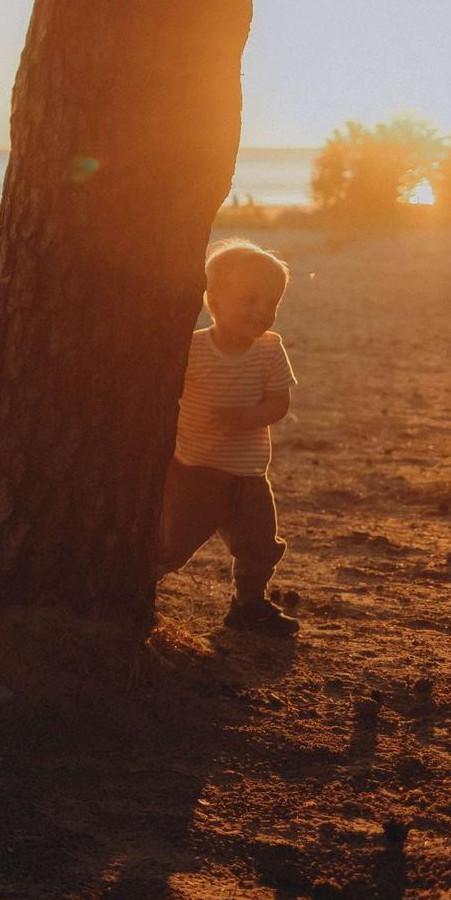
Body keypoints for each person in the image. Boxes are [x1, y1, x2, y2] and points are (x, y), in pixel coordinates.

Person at [156, 239, 299, 635]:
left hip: (249, 473)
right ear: (213, 302)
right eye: (249, 300)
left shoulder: (270, 349)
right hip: (194, 470)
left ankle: (248, 605)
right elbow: (163, 395)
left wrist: (247, 417)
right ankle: (134, 590)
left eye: (271, 303)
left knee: (259, 544)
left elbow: (279, 402)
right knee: (173, 543)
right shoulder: (193, 349)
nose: (262, 311)